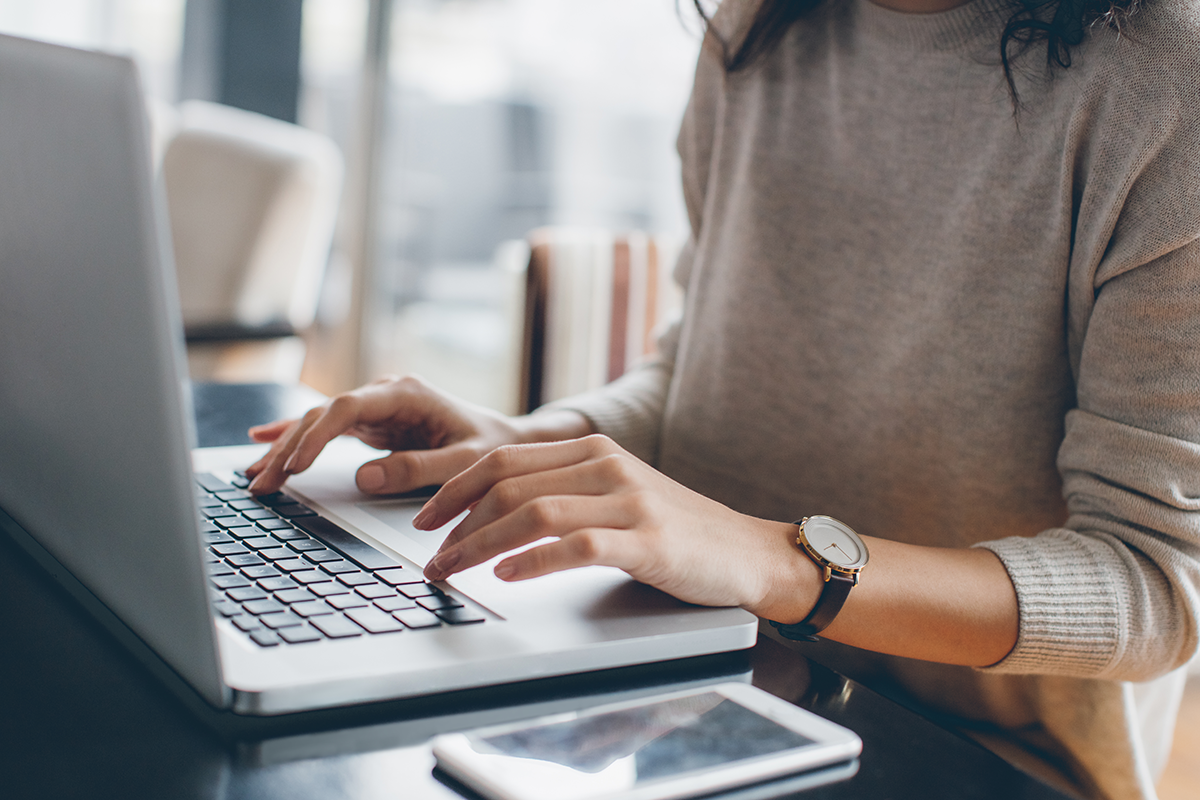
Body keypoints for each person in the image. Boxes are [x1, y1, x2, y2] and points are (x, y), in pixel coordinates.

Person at [245, 0, 1200, 797]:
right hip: (701, 678)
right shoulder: (758, 24)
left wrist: (777, 561)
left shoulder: (1165, 79)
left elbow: (1156, 583)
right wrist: (535, 443)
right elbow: (698, 368)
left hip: (970, 759)